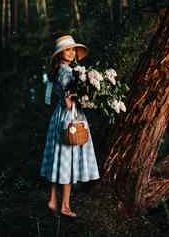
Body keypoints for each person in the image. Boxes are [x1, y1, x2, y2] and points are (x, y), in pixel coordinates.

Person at [40, 35, 100, 217]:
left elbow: (53, 98)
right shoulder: (66, 72)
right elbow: (68, 103)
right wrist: (83, 97)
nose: (72, 52)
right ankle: (65, 206)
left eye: (73, 49)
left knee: (57, 158)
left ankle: (52, 200)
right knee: (68, 161)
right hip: (69, 118)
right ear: (60, 54)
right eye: (68, 49)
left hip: (57, 118)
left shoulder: (57, 70)